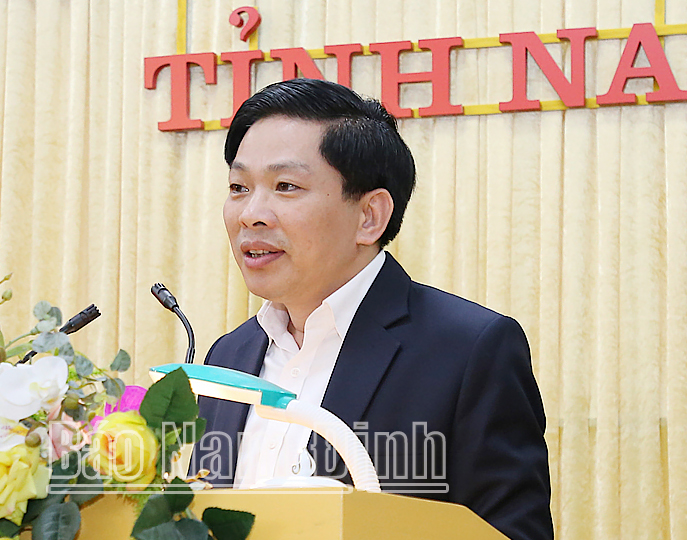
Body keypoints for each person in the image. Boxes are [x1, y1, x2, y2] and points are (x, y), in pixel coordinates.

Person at [191, 78, 553, 540]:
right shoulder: (228, 357)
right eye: (239, 187)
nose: (250, 214)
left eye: (285, 186)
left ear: (369, 216)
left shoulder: (467, 351)